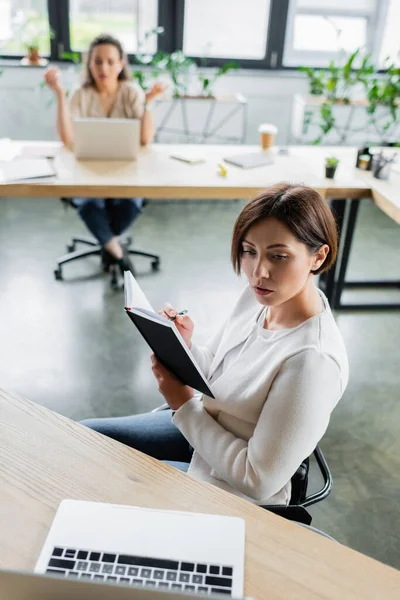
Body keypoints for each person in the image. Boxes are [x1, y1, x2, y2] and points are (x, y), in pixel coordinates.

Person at [81, 183, 349, 506]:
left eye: (279, 256)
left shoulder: (312, 362)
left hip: (231, 491)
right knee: (82, 438)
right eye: (249, 251)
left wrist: (183, 406)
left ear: (318, 256)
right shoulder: (260, 297)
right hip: (205, 431)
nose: (258, 272)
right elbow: (216, 369)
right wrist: (185, 347)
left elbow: (257, 480)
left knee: (114, 484)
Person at [44, 33, 166, 275]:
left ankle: (107, 243)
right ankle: (116, 251)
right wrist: (59, 93)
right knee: (89, 203)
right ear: (89, 64)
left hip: (126, 171)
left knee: (131, 203)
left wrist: (148, 102)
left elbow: (144, 139)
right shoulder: (81, 93)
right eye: (97, 61)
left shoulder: (131, 92)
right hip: (87, 170)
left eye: (111, 61)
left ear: (121, 64)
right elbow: (68, 140)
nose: (104, 67)